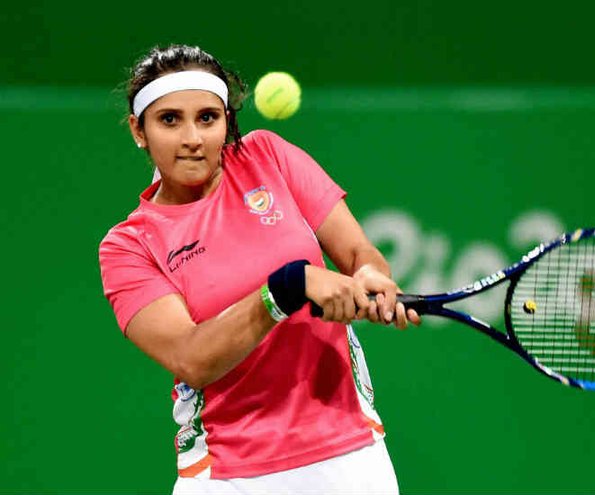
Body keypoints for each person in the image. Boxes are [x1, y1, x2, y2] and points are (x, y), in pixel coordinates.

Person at [98, 44, 420, 494]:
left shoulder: (267, 156)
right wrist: (287, 288)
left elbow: (357, 254)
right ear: (139, 130)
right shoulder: (129, 246)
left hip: (349, 457)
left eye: (207, 118)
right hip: (227, 474)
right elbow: (192, 358)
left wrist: (369, 274)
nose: (192, 138)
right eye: (170, 120)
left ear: (227, 120)